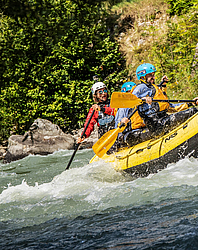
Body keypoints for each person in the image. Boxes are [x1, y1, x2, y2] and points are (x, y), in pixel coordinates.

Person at [118, 63, 198, 146]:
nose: (153, 77)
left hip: (163, 120)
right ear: (142, 77)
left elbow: (171, 107)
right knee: (193, 111)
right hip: (156, 126)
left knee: (192, 110)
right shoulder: (141, 87)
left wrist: (191, 103)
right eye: (150, 75)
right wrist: (142, 99)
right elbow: (131, 99)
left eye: (153, 75)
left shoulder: (154, 88)